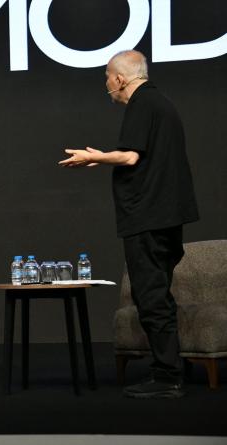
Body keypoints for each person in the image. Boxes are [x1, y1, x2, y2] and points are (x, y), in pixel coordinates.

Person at [59, 50, 199, 399]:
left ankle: (167, 377)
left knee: (150, 295)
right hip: (165, 216)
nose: (107, 85)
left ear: (120, 79)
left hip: (149, 217)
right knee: (156, 292)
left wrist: (93, 157)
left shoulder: (142, 103)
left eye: (107, 77)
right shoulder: (160, 103)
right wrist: (103, 158)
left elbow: (130, 155)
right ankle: (172, 368)